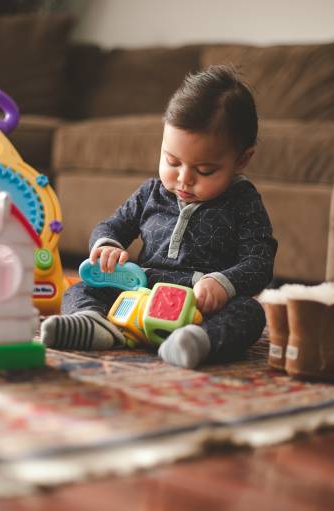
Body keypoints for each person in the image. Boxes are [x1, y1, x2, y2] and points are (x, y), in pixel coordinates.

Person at [41, 65, 277, 368]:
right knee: (79, 287)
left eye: (205, 170)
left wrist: (223, 283)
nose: (184, 179)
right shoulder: (151, 193)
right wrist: (107, 246)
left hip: (199, 305)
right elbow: (112, 225)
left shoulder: (244, 202)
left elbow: (260, 261)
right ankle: (94, 323)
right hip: (138, 294)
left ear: (242, 159)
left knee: (250, 313)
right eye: (172, 161)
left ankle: (197, 341)